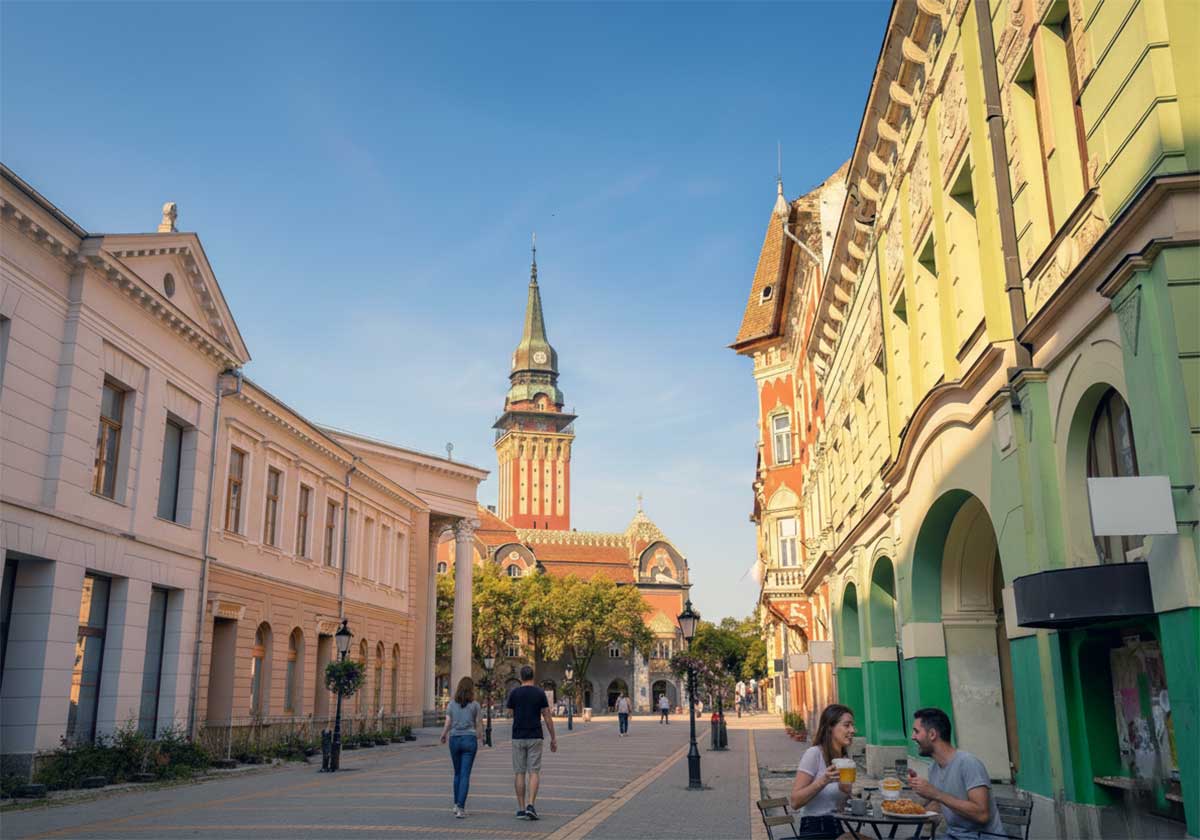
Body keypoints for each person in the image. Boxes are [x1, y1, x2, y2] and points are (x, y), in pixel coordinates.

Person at [907, 708, 1004, 839]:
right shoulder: (933, 768)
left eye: (916, 731)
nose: (913, 737)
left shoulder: (968, 763)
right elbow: (940, 804)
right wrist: (908, 808)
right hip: (953, 836)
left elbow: (982, 814)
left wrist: (935, 793)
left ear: (932, 734)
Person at [789, 703, 856, 840]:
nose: (852, 730)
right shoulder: (814, 754)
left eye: (852, 726)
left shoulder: (844, 760)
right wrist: (823, 781)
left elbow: (837, 806)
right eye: (847, 725)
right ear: (830, 727)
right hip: (815, 829)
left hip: (837, 827)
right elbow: (795, 802)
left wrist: (848, 795)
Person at [506, 664, 557, 821]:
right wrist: (553, 737)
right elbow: (547, 716)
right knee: (534, 772)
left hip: (518, 736)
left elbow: (509, 713)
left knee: (519, 772)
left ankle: (521, 809)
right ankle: (531, 805)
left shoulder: (514, 693)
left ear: (521, 677)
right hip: (535, 735)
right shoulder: (539, 693)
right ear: (532, 677)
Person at [439, 676, 485, 819]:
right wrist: (481, 737)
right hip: (469, 740)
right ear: (472, 689)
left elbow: (448, 722)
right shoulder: (475, 705)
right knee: (465, 774)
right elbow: (479, 723)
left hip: (454, 739)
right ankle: (461, 808)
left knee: (457, 773)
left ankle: (455, 804)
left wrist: (443, 734)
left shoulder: (451, 704)